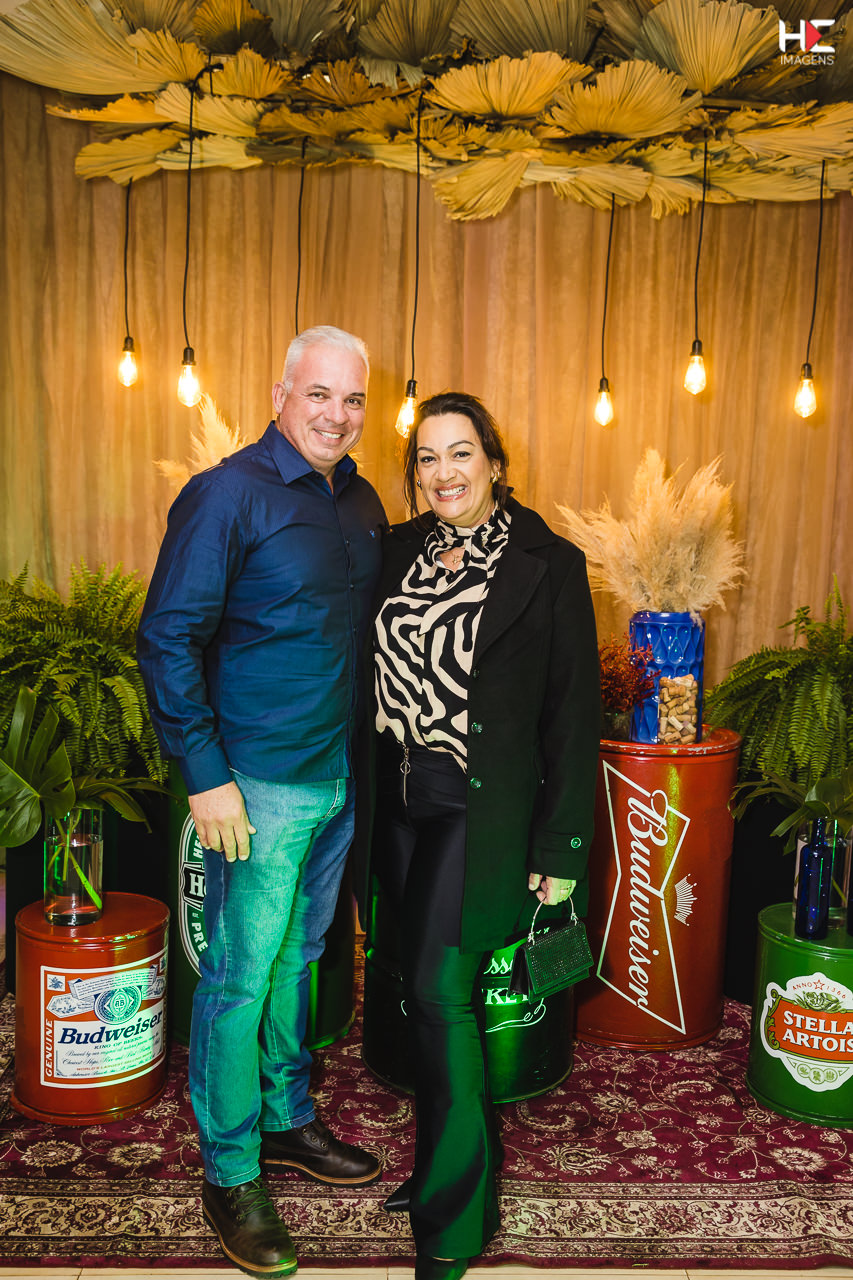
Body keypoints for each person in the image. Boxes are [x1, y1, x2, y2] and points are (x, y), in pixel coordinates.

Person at [137, 325, 387, 1278]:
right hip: (254, 788)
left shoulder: (361, 501)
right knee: (241, 979)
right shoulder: (227, 494)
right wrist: (205, 776)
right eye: (318, 394)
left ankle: (286, 1117)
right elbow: (167, 637)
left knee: (300, 961)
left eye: (353, 399)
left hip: (337, 779)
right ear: (280, 395)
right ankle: (230, 1171)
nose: (336, 414)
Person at [369, 391, 600, 1280]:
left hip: (480, 806)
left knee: (440, 994)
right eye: (426, 458)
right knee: (415, 990)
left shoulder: (549, 564)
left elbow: (571, 717)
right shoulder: (396, 550)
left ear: (495, 465)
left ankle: (456, 1219)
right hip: (397, 800)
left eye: (460, 453)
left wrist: (561, 852)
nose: (443, 473)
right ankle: (443, 1166)